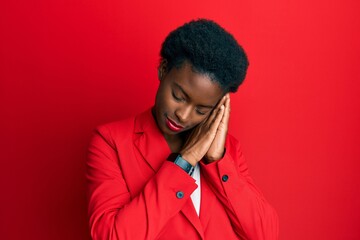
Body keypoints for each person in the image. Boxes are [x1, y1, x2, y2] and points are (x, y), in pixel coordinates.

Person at [87, 19, 279, 239]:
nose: (184, 115)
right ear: (163, 69)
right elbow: (112, 236)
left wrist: (217, 161)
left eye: (202, 109)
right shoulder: (110, 142)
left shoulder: (228, 151)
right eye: (178, 96)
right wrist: (185, 160)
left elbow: (265, 234)